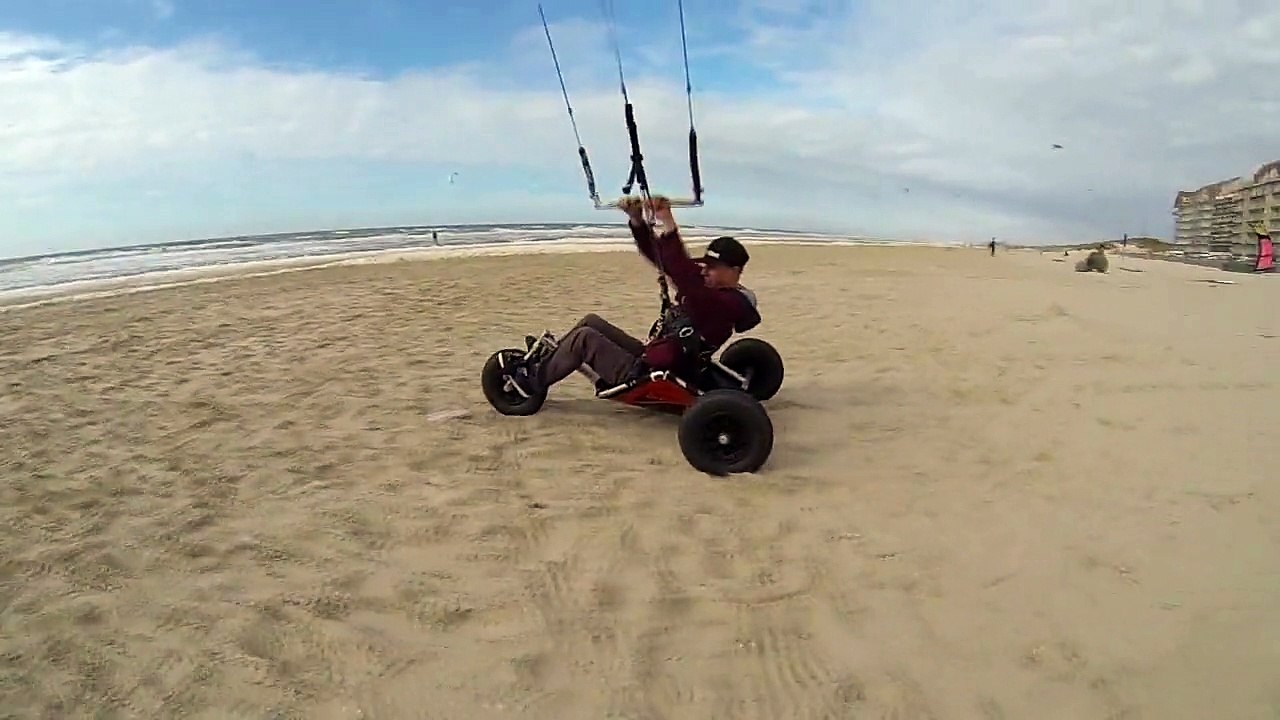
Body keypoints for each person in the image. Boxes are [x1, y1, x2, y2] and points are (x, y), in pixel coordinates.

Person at [504, 195, 760, 396]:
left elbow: (685, 277)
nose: (705, 271)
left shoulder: (727, 303)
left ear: (735, 271)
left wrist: (668, 223)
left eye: (713, 268)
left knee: (584, 339)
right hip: (656, 353)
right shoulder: (710, 287)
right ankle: (550, 363)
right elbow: (667, 261)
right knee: (591, 322)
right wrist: (637, 221)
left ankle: (531, 382)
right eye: (705, 266)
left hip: (653, 371)